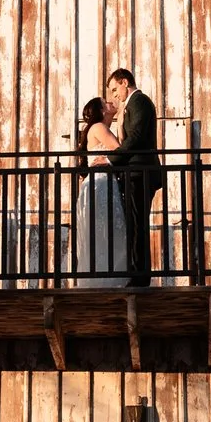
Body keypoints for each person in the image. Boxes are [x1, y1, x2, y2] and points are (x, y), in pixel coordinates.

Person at [106, 68, 160, 286]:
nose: (114, 95)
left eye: (114, 89)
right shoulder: (130, 106)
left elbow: (136, 136)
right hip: (134, 174)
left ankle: (140, 277)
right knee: (135, 224)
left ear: (124, 82)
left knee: (138, 225)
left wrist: (111, 160)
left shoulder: (140, 101)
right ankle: (137, 273)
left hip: (141, 173)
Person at [72, 96, 127, 286]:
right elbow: (121, 151)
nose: (112, 102)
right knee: (105, 231)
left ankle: (106, 278)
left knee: (107, 231)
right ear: (102, 111)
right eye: (107, 103)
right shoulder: (98, 127)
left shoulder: (102, 128)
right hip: (101, 184)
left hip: (103, 183)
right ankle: (106, 280)